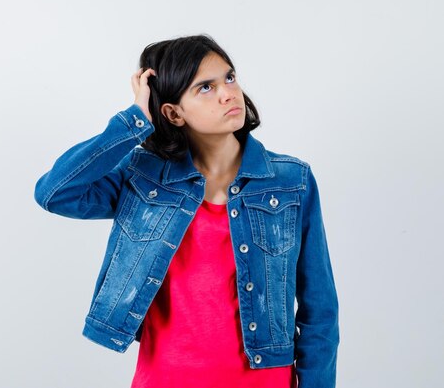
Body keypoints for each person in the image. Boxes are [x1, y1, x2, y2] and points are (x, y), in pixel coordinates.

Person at [33, 34, 339, 388]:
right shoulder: (143, 178)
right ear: (172, 112)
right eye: (205, 88)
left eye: (229, 77)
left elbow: (320, 310)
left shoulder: (290, 181)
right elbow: (55, 192)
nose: (228, 92)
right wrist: (134, 120)